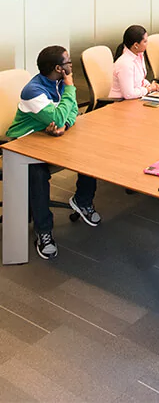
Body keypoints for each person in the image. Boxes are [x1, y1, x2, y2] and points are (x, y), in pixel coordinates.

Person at [7, 46, 101, 260]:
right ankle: (44, 231)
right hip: (24, 142)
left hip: (49, 138)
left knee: (89, 152)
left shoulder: (58, 83)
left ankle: (82, 200)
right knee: (37, 174)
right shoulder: (33, 91)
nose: (71, 65)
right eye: (68, 62)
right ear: (59, 68)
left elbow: (73, 111)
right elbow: (59, 116)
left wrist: (64, 125)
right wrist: (69, 89)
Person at [110, 25, 159, 99]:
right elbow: (128, 94)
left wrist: (149, 85)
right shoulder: (125, 63)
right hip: (120, 102)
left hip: (134, 100)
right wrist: (148, 89)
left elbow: (138, 80)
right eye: (145, 41)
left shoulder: (139, 56)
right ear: (136, 45)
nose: (147, 44)